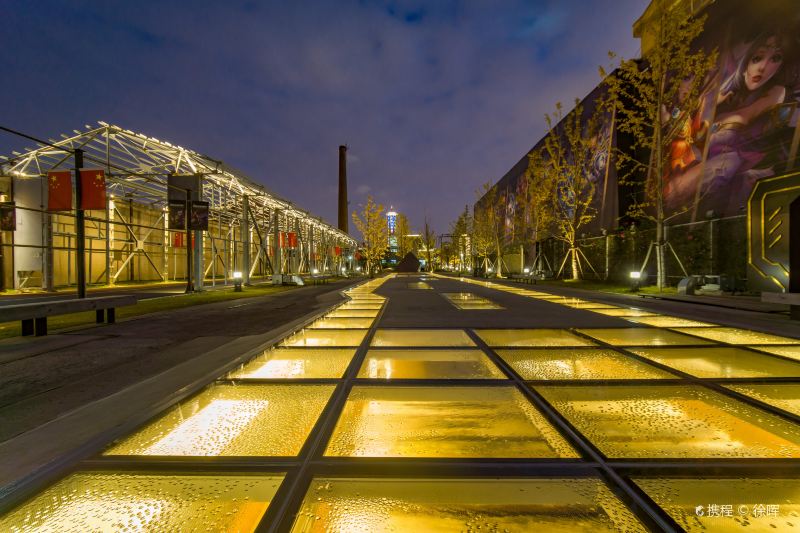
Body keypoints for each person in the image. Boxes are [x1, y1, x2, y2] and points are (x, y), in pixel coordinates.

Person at [666, 31, 795, 212]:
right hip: (707, 175)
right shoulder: (726, 96)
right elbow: (696, 140)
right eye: (758, 58)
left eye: (775, 58)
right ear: (746, 60)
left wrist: (711, 106)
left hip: (738, 169)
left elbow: (743, 117)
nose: (762, 67)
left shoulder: (776, 92)